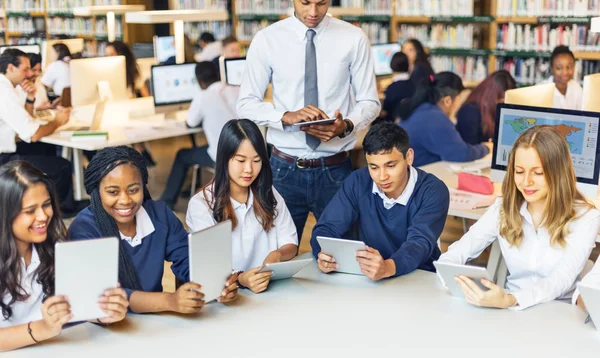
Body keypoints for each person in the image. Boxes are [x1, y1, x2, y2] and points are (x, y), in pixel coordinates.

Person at [237, 0, 381, 243]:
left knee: (343, 255)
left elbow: (370, 101)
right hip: (283, 171)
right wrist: (284, 116)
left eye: (321, 3)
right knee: (275, 254)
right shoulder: (267, 39)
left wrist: (345, 125)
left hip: (336, 171)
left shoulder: (353, 38)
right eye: (305, 3)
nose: (313, 12)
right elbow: (245, 104)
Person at [438, 125, 600, 310]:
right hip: (509, 311)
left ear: (558, 173)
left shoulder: (587, 218)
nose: (526, 181)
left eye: (538, 173)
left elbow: (560, 280)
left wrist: (511, 299)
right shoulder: (502, 208)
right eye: (519, 171)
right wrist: (459, 282)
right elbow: (456, 253)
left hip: (557, 312)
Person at [68, 146, 238, 314]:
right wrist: (169, 300)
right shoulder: (83, 230)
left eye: (133, 190)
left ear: (144, 186)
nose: (125, 200)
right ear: (96, 192)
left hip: (156, 321)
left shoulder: (159, 215)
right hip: (108, 328)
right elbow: (102, 296)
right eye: (113, 192)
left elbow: (188, 259)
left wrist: (216, 282)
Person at [0, 161, 128, 352]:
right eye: (30, 211)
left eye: (46, 204)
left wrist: (104, 313)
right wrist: (43, 328)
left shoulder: (54, 247)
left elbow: (74, 307)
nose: (43, 216)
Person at [311, 122, 449, 280]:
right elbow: (326, 228)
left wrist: (388, 267)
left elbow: (419, 243)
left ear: (409, 157)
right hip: (367, 277)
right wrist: (323, 255)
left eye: (390, 165)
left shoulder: (433, 190)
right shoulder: (358, 181)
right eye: (374, 167)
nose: (382, 176)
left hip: (420, 277)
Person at [187, 119, 298, 294]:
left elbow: (290, 243)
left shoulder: (269, 193)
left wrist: (278, 255)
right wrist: (241, 278)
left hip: (268, 291)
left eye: (256, 160)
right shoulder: (202, 205)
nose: (249, 169)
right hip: (225, 296)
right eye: (240, 160)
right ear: (224, 159)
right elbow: (210, 267)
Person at [0, 49, 81, 216]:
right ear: (10, 68)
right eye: (25, 69)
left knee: (46, 149)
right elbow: (33, 134)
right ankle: (58, 211)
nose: (29, 74)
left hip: (11, 147)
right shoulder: (4, 92)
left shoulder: (9, 87)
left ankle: (63, 203)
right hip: (4, 157)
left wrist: (30, 97)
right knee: (62, 166)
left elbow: (26, 122)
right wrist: (57, 121)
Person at [160, 61, 239, 209]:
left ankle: (167, 202)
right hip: (243, 152)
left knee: (182, 155)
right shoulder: (236, 89)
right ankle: (190, 186)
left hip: (221, 157)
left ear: (199, 81)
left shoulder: (203, 96)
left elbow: (191, 122)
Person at [397, 71, 490, 167]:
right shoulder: (434, 118)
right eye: (459, 99)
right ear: (447, 100)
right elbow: (461, 154)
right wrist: (486, 148)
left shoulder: (420, 108)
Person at [456, 70, 517, 144]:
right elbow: (469, 149)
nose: (503, 104)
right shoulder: (470, 111)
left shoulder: (496, 111)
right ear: (491, 95)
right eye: (500, 100)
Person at [540, 45, 583, 110]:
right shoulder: (541, 90)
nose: (565, 72)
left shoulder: (577, 88)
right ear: (551, 68)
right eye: (559, 68)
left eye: (569, 67)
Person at [381, 52, 415, 122]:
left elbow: (385, 111)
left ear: (392, 65)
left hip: (393, 126)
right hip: (411, 122)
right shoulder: (414, 85)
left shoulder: (391, 88)